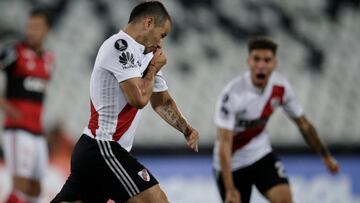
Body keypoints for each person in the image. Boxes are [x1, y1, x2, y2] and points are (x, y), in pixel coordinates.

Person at [51, 1, 199, 203]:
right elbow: (138, 100)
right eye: (162, 35)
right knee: (156, 201)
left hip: (99, 152)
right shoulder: (120, 46)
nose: (161, 43)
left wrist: (185, 128)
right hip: (103, 148)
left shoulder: (146, 56)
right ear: (148, 23)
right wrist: (154, 68)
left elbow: (160, 101)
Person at [212, 37, 339, 203]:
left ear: (275, 63)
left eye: (267, 60)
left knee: (285, 200)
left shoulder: (281, 87)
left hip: (261, 154)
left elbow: (303, 124)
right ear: (248, 61)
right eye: (256, 59)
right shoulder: (232, 94)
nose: (261, 65)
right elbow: (225, 144)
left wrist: (325, 156)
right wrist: (229, 188)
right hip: (232, 165)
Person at [0, 8, 53, 203]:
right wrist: (4, 105)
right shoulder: (14, 53)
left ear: (47, 30)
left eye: (37, 27)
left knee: (35, 189)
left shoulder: (48, 59)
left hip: (37, 131)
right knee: (20, 185)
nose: (32, 31)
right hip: (17, 128)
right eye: (30, 26)